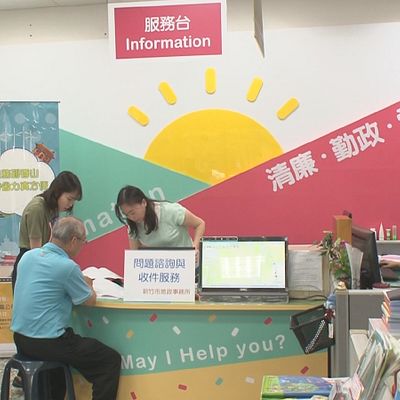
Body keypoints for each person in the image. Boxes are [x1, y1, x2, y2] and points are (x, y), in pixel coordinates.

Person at [11, 216, 121, 400]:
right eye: (84, 241)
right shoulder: (67, 267)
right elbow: (89, 301)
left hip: (21, 339)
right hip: (48, 341)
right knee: (109, 360)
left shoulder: (28, 257)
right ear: (74, 240)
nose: (83, 246)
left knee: (58, 370)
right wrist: (89, 285)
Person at [12, 170, 82, 289]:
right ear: (57, 192)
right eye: (69, 199)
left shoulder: (52, 209)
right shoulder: (37, 208)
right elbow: (35, 253)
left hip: (41, 264)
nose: (71, 204)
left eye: (73, 201)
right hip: (30, 266)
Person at [115, 185, 205, 261]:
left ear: (144, 202)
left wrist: (194, 248)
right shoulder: (132, 225)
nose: (131, 218)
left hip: (187, 263)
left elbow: (200, 224)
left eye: (132, 213)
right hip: (161, 268)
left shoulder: (170, 211)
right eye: (126, 215)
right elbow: (135, 255)